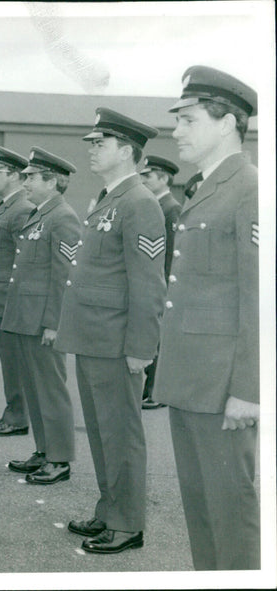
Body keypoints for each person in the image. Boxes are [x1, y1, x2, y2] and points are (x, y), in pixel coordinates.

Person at [154, 66, 259, 570]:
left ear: (226, 123)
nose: (176, 131)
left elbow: (261, 298)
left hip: (223, 388)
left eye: (188, 120)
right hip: (192, 380)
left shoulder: (251, 189)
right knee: (200, 511)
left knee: (231, 513)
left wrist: (250, 389)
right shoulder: (205, 187)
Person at [56, 108, 165, 554]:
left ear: (126, 151)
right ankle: (109, 510)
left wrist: (142, 348)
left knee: (121, 433)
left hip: (118, 341)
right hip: (94, 336)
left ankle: (127, 524)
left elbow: (148, 284)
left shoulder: (140, 203)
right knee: (103, 431)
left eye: (100, 144)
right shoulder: (108, 198)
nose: (91, 150)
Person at [2, 147, 80, 484]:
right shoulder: (40, 214)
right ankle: (44, 450)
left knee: (50, 390)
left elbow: (64, 277)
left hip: (42, 322)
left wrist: (54, 323)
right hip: (25, 317)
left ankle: (60, 459)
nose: (26, 182)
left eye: (32, 177)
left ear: (52, 181)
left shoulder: (63, 217)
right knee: (35, 390)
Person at [0, 147, 35, 436]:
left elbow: (22, 260)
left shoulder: (22, 208)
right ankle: (12, 411)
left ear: (15, 176)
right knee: (8, 360)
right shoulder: (5, 206)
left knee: (13, 363)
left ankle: (18, 417)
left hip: (7, 300)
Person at [138, 155, 181, 409]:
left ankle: (156, 391)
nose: (143, 180)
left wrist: (165, 287)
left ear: (164, 178)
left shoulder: (170, 208)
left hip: (162, 283)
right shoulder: (154, 204)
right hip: (151, 282)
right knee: (151, 337)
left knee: (158, 339)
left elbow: (171, 253)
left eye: (148, 176)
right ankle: (150, 388)